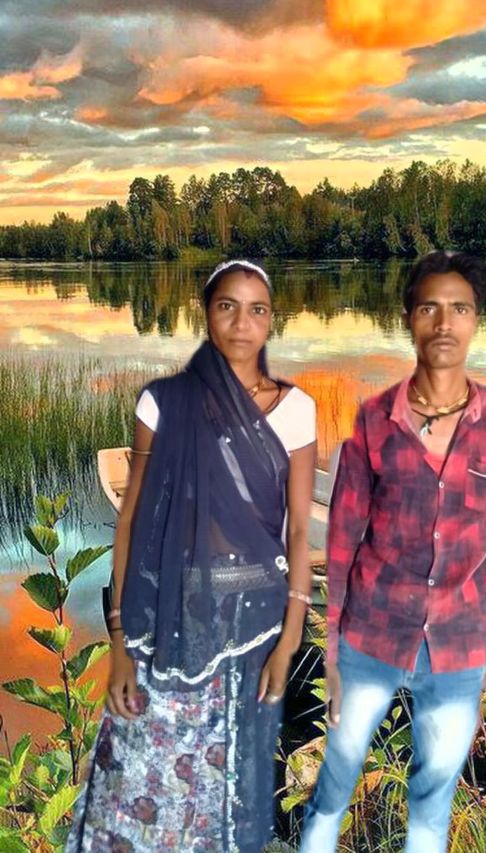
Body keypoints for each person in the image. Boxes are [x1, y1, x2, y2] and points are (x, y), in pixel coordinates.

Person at [67, 260, 317, 852]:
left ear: (270, 321)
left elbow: (299, 531)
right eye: (228, 306)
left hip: (259, 618)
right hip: (180, 613)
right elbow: (133, 521)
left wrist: (289, 639)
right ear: (207, 313)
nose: (242, 322)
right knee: (153, 774)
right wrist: (120, 642)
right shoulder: (163, 403)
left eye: (257, 309)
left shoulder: (296, 409)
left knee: (246, 777)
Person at [299, 250, 486, 853]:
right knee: (335, 782)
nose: (444, 323)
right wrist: (332, 651)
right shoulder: (373, 422)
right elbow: (342, 544)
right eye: (430, 307)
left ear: (476, 320)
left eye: (460, 308)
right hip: (371, 638)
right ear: (408, 317)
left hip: (459, 645)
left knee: (432, 803)